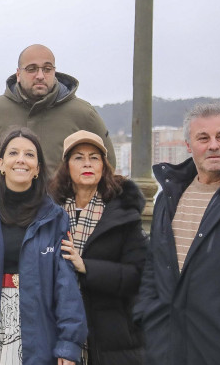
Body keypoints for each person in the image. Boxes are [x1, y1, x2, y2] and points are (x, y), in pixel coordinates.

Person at [0, 127, 87, 365]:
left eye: (30, 155)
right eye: (13, 153)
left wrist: (68, 344)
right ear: (1, 164)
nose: (21, 159)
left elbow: (66, 286)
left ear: (38, 169)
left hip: (39, 332)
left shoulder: (55, 219)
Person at [134, 103, 220, 365]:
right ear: (188, 145)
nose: (213, 145)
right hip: (168, 350)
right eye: (203, 138)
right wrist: (148, 317)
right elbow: (155, 263)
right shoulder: (169, 197)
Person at [50, 130, 147, 365]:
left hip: (114, 336)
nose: (87, 164)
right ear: (66, 166)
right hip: (58, 328)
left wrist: (86, 267)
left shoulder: (123, 213)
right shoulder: (50, 212)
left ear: (104, 165)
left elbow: (138, 275)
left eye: (94, 157)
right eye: (78, 157)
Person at [0, 44, 115, 187]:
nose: (40, 76)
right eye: (31, 69)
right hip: (6, 207)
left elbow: (107, 163)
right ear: (18, 74)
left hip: (64, 207)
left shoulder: (83, 113)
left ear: (54, 72)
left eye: (47, 69)